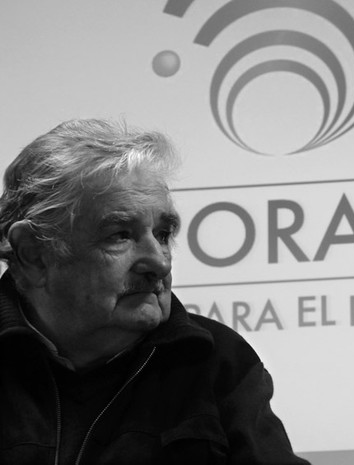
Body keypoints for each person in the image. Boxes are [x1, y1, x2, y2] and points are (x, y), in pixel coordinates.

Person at [0, 119, 309, 465]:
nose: (159, 263)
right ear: (34, 253)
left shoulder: (217, 360)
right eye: (120, 234)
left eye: (163, 234)